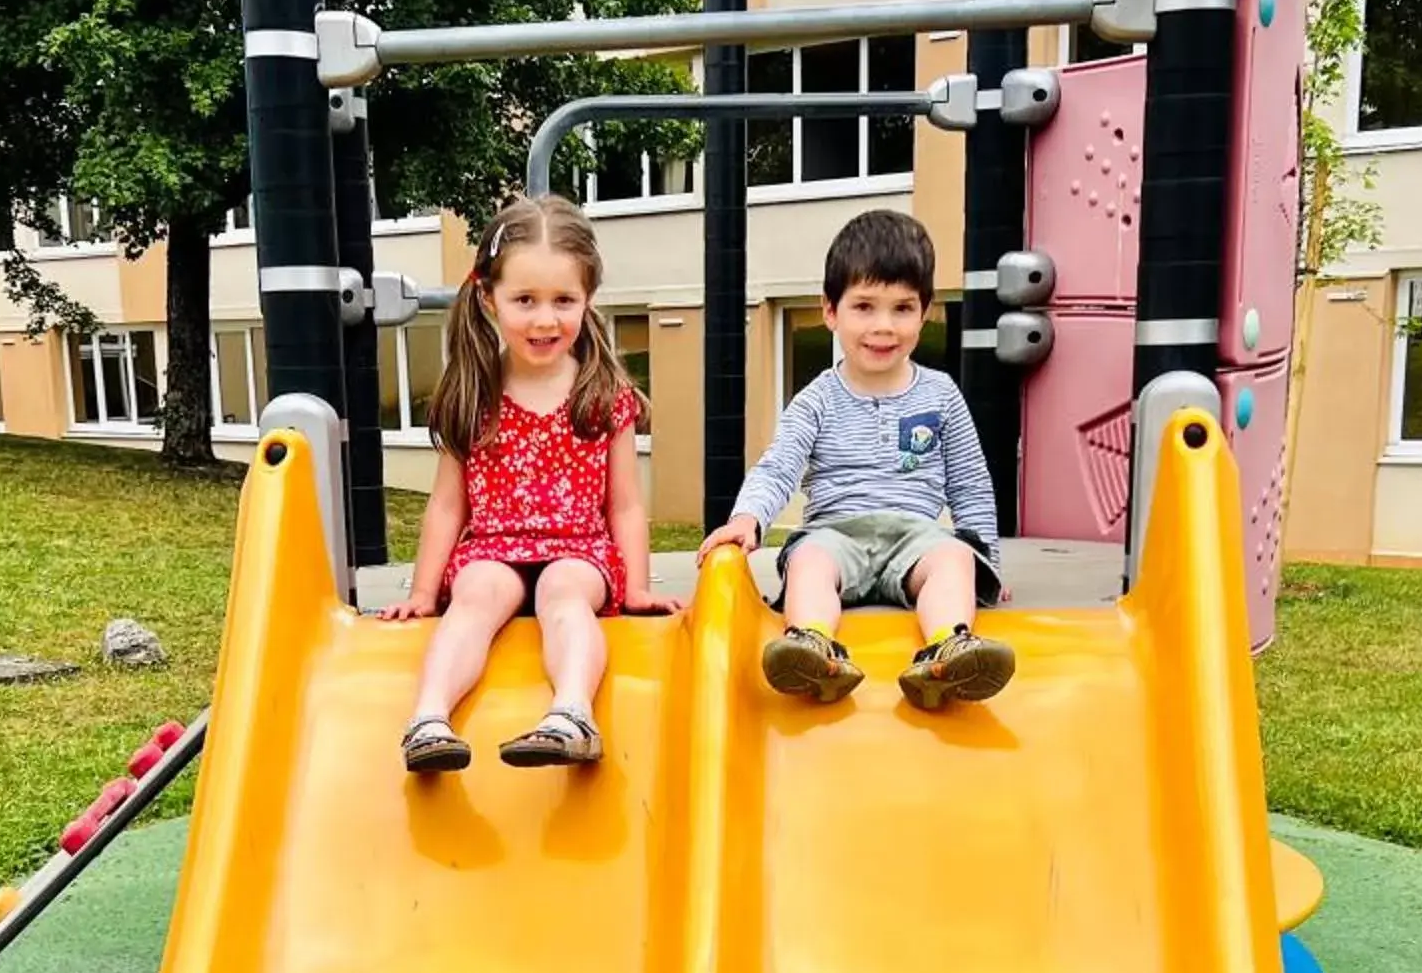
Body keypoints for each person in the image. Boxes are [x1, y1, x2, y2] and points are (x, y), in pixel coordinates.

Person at [390, 195, 671, 771]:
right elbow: (448, 505)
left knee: (563, 594)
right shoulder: (474, 392)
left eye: (563, 300)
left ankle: (571, 713)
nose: (546, 320)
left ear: (588, 299)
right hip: (493, 546)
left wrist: (638, 587)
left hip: (578, 549)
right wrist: (423, 593)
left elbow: (624, 506)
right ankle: (428, 718)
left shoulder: (601, 395)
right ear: (489, 299)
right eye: (525, 301)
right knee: (472, 597)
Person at [698, 208, 1015, 712]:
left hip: (916, 537)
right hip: (836, 533)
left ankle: (947, 651)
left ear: (925, 310)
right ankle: (812, 646)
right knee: (808, 561)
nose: (883, 327)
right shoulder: (817, 400)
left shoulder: (941, 395)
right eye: (864, 306)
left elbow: (970, 484)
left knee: (954, 558)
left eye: (902, 308)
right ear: (831, 311)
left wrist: (987, 564)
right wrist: (748, 517)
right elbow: (779, 466)